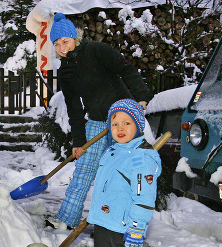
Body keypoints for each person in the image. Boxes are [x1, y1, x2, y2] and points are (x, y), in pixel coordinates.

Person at [45, 13, 153, 229]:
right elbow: (74, 107)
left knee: (124, 172)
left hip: (122, 118)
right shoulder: (65, 70)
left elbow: (126, 69)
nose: (62, 48)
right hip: (96, 120)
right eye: (57, 44)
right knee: (84, 169)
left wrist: (141, 96)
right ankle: (67, 219)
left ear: (75, 37)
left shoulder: (97, 50)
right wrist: (78, 141)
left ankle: (126, 221)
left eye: (65, 41)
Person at [86, 99, 161, 247]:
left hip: (126, 226)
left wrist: (137, 227)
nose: (120, 128)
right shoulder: (111, 152)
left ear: (138, 126)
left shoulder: (141, 158)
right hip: (104, 222)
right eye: (115, 123)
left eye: (127, 123)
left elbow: (144, 198)